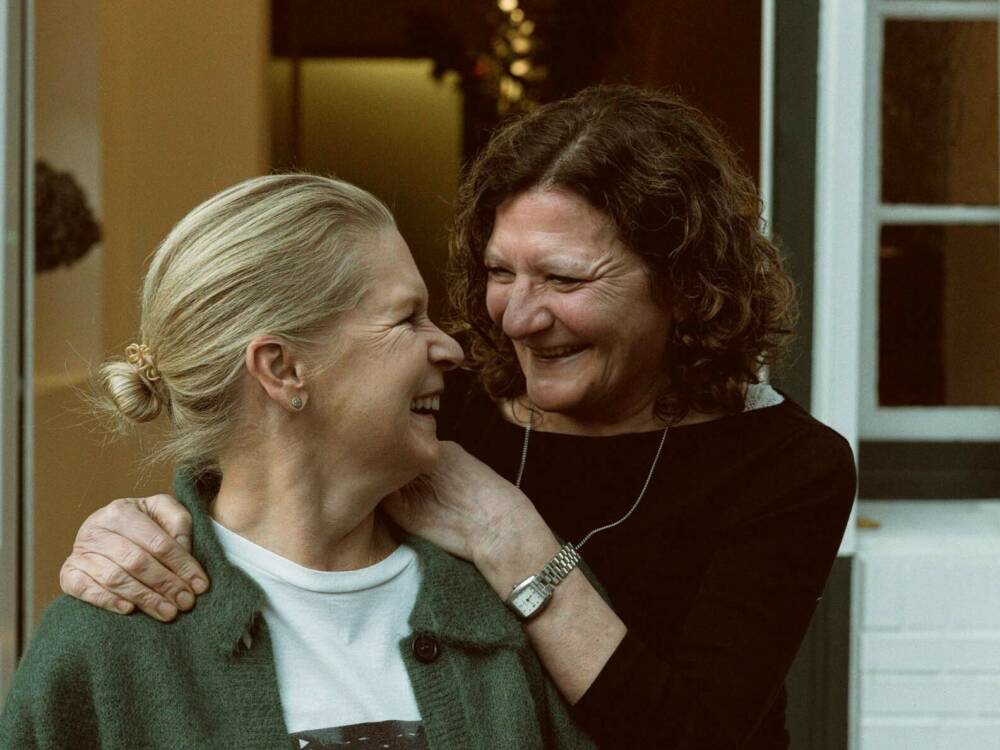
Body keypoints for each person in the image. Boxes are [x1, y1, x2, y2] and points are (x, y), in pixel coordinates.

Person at [54, 85, 856, 748]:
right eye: (501, 272)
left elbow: (696, 737)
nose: (518, 318)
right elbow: (276, 459)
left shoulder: (786, 465)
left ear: (683, 283)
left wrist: (515, 540)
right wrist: (141, 527)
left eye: (566, 280)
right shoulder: (443, 394)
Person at [0, 174, 595, 749]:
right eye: (406, 318)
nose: (449, 347)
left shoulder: (510, 598)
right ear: (283, 369)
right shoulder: (104, 643)